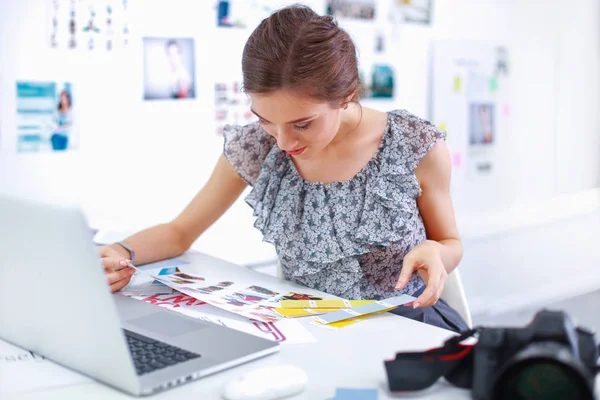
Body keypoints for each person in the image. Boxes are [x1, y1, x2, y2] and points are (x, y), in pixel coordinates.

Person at [99, 5, 468, 333]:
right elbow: (179, 232)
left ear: (346, 95)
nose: (282, 142)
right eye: (265, 121)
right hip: (309, 330)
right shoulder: (256, 148)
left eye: (302, 123)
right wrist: (119, 252)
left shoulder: (413, 144)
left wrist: (437, 253)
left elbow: (450, 243)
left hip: (405, 327)